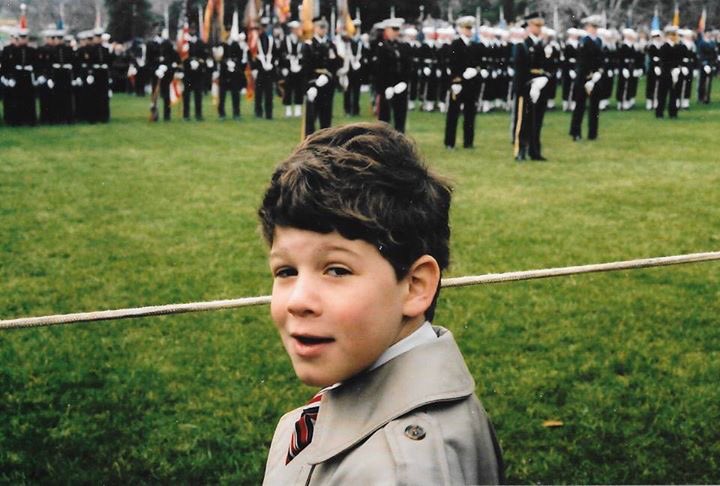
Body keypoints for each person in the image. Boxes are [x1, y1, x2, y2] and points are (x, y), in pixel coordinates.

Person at [259, 122, 503, 485]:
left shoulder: (400, 471)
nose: (298, 301)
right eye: (286, 271)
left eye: (337, 270)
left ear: (415, 286)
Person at [513, 12, 551, 161]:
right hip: (526, 88)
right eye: (536, 25)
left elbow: (545, 67)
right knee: (523, 121)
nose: (539, 28)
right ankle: (520, 150)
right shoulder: (522, 45)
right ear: (529, 26)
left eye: (540, 26)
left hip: (540, 87)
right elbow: (520, 70)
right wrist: (529, 85)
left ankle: (534, 151)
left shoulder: (541, 45)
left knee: (537, 121)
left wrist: (543, 79)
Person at [443, 16, 479, 150]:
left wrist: (475, 70)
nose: (469, 31)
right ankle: (449, 142)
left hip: (471, 84)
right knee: (453, 114)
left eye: (470, 28)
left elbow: (478, 62)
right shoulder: (455, 44)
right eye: (466, 28)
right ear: (461, 29)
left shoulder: (474, 45)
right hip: (458, 83)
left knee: (470, 114)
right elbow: (452, 64)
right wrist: (455, 81)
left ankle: (468, 142)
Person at [301, 17, 341, 136]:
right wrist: (310, 86)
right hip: (313, 84)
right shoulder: (309, 45)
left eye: (325, 27)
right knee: (311, 119)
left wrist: (328, 76)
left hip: (327, 85)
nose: (323, 30)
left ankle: (325, 142)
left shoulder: (331, 45)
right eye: (321, 27)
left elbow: (335, 65)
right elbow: (306, 68)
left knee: (326, 118)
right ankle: (309, 142)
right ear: (315, 28)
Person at [569, 15, 605, 142]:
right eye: (592, 27)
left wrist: (599, 72)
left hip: (595, 77)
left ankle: (593, 133)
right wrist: (588, 78)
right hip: (584, 77)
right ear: (587, 27)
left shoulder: (599, 41)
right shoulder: (584, 41)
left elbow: (601, 58)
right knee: (580, 106)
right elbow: (582, 62)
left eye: (596, 27)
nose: (594, 29)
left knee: (595, 107)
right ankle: (576, 132)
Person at [374, 18, 411, 133]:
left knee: (400, 117)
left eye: (397, 29)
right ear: (386, 30)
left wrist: (404, 82)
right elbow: (379, 70)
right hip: (387, 87)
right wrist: (384, 87)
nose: (396, 32)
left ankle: (400, 140)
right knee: (384, 120)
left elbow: (408, 66)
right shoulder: (381, 47)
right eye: (393, 29)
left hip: (400, 86)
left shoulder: (403, 46)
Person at [252, 17, 279, 119]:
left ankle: (269, 113)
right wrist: (254, 68)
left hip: (269, 70)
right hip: (259, 69)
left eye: (265, 26)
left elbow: (275, 54)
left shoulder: (271, 40)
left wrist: (272, 64)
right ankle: (258, 112)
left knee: (269, 94)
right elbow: (252, 54)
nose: (263, 29)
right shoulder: (255, 40)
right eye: (262, 27)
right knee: (258, 93)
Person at [280, 21, 304, 118]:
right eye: (296, 29)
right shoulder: (285, 40)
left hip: (299, 68)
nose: (298, 30)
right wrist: (283, 68)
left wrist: (301, 65)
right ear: (292, 29)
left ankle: (298, 109)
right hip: (288, 68)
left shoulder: (301, 40)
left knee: (299, 89)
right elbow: (281, 54)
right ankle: (288, 110)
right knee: (288, 89)